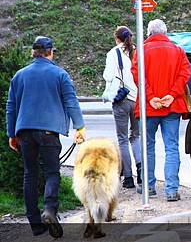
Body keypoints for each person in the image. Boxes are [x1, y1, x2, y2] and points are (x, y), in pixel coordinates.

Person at [5, 36, 85, 238]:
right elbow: (71, 101)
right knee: (51, 172)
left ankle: (35, 223)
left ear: (33, 53)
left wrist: (11, 133)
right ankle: (50, 209)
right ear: (50, 52)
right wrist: (79, 127)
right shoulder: (60, 74)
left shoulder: (19, 75)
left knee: (30, 174)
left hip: (24, 132)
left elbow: (11, 107)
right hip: (49, 132)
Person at [131, 19, 191, 202]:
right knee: (171, 147)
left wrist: (150, 97)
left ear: (149, 33)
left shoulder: (141, 51)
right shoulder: (178, 51)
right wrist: (172, 95)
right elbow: (185, 73)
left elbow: (137, 75)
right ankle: (171, 190)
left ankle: (149, 187)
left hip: (149, 107)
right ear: (165, 33)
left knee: (147, 146)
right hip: (171, 106)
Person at [101, 26, 141, 189]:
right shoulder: (138, 51)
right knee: (136, 136)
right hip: (137, 99)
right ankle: (141, 171)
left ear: (116, 38)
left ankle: (129, 177)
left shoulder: (113, 54)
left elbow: (108, 76)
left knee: (123, 139)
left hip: (121, 100)